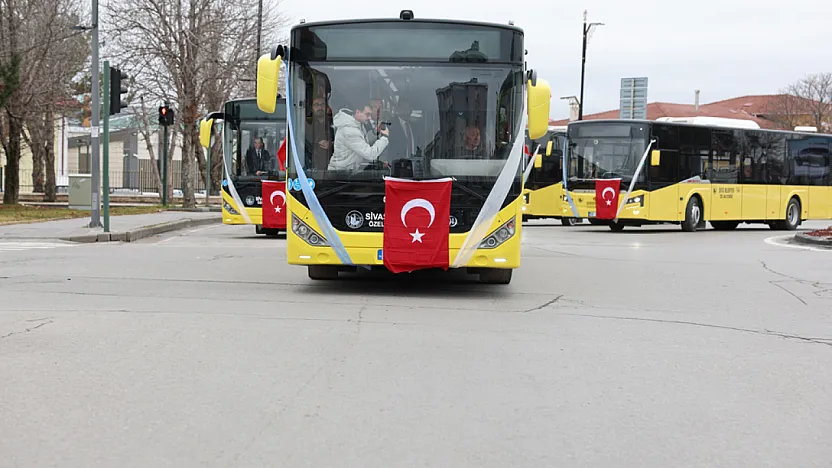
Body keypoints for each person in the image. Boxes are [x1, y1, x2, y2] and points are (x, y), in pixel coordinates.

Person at [328, 103, 390, 172]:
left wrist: (374, 132)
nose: (369, 118)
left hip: (347, 171)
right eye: (367, 114)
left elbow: (362, 142)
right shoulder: (350, 131)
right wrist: (384, 137)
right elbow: (370, 155)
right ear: (358, 112)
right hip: (339, 173)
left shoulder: (356, 123)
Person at [306, 97, 334, 169]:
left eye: (322, 104)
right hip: (312, 164)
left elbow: (343, 141)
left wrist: (331, 144)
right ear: (311, 108)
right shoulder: (306, 125)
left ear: (327, 107)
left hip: (332, 165)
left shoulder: (334, 122)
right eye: (316, 105)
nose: (320, 107)